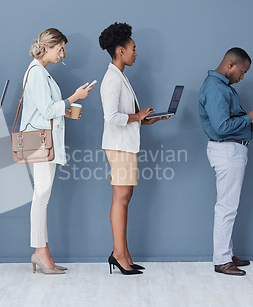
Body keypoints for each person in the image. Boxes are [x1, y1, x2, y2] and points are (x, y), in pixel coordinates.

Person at [99, 22, 169, 275]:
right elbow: (112, 118)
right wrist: (137, 116)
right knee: (121, 198)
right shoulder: (111, 79)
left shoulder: (119, 76)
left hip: (125, 145)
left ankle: (123, 253)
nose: (135, 53)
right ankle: (119, 254)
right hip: (119, 147)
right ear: (120, 51)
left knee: (125, 198)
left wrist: (145, 119)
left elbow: (126, 116)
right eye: (133, 48)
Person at [22, 28, 92, 274]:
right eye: (60, 48)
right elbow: (46, 110)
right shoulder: (36, 73)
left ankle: (43, 251)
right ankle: (40, 252)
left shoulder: (41, 73)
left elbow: (46, 108)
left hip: (44, 141)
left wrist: (66, 110)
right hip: (40, 143)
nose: (62, 53)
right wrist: (74, 97)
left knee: (42, 197)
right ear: (48, 46)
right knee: (41, 197)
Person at [199, 47, 253, 276]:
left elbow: (228, 122)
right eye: (242, 71)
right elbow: (221, 127)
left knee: (229, 206)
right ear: (231, 64)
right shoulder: (216, 88)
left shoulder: (222, 87)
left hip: (231, 150)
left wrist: (249, 123)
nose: (242, 76)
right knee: (226, 207)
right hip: (227, 151)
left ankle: (226, 254)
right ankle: (221, 260)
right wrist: (248, 118)